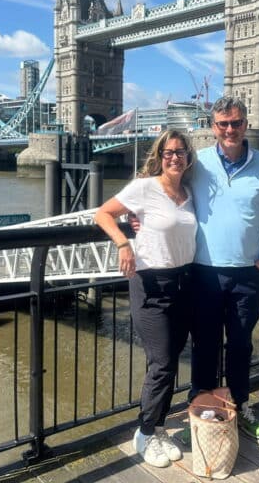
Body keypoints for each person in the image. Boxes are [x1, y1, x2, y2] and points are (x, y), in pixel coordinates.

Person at [94, 129, 196, 468]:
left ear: (188, 156)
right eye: (168, 152)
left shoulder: (189, 193)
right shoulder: (144, 187)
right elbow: (103, 213)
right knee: (163, 363)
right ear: (159, 155)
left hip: (184, 284)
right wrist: (124, 243)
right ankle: (145, 432)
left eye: (180, 152)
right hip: (150, 284)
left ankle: (159, 427)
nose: (174, 157)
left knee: (169, 361)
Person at [185, 96, 259, 441]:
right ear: (213, 127)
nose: (230, 129)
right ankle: (202, 413)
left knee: (240, 344)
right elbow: (163, 188)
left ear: (246, 124)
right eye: (223, 124)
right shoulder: (196, 163)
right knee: (205, 346)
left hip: (248, 273)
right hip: (204, 272)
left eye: (236, 123)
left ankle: (241, 407)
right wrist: (137, 217)